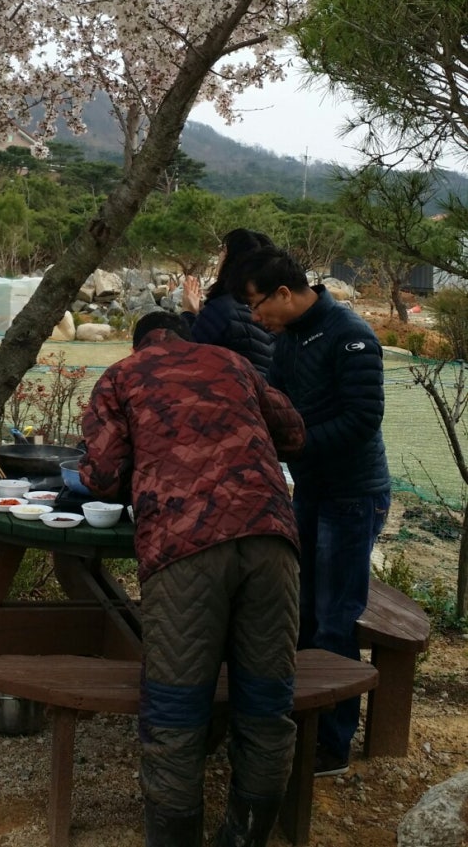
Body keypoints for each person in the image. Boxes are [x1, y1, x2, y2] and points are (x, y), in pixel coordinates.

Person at [78, 310, 305, 847]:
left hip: (185, 548)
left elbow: (102, 476)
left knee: (177, 713)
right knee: (267, 704)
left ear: (139, 344)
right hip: (271, 537)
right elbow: (293, 433)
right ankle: (244, 838)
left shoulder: (121, 375)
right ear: (185, 336)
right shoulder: (234, 361)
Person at [237, 248, 390, 777]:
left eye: (258, 306)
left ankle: (332, 743)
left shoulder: (351, 335)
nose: (256, 320)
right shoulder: (290, 338)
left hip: (353, 495)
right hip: (312, 491)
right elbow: (273, 401)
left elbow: (362, 419)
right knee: (297, 611)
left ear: (284, 293)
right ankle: (298, 724)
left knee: (335, 619)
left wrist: (293, 447)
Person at [181, 228, 276, 377]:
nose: (219, 255)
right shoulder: (271, 309)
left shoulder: (221, 309)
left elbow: (187, 357)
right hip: (263, 394)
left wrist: (188, 313)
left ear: (231, 260)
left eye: (223, 250)